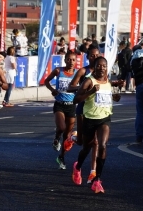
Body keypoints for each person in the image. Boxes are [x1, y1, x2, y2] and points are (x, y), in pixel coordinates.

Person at [72, 56, 123, 193]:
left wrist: (115, 97)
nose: (102, 68)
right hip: (89, 119)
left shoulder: (108, 82)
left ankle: (97, 180)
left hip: (104, 119)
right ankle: (77, 167)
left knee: (102, 145)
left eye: (104, 66)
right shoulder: (89, 81)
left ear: (107, 68)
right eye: (99, 66)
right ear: (94, 68)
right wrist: (91, 91)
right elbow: (76, 99)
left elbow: (107, 96)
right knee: (86, 148)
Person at [45, 50, 87, 170]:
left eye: (73, 60)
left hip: (71, 106)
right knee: (61, 128)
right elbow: (46, 81)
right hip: (59, 104)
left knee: (68, 135)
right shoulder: (59, 71)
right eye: (69, 59)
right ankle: (56, 138)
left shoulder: (78, 74)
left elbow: (83, 86)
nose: (71, 62)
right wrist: (52, 90)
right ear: (65, 60)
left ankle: (62, 157)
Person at [75, 46, 101, 184]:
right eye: (92, 55)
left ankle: (93, 171)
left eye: (97, 55)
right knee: (83, 143)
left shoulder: (102, 72)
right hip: (83, 108)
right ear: (87, 57)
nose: (95, 58)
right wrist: (84, 89)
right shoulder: (83, 71)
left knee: (95, 142)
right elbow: (71, 87)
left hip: (97, 110)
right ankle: (74, 137)